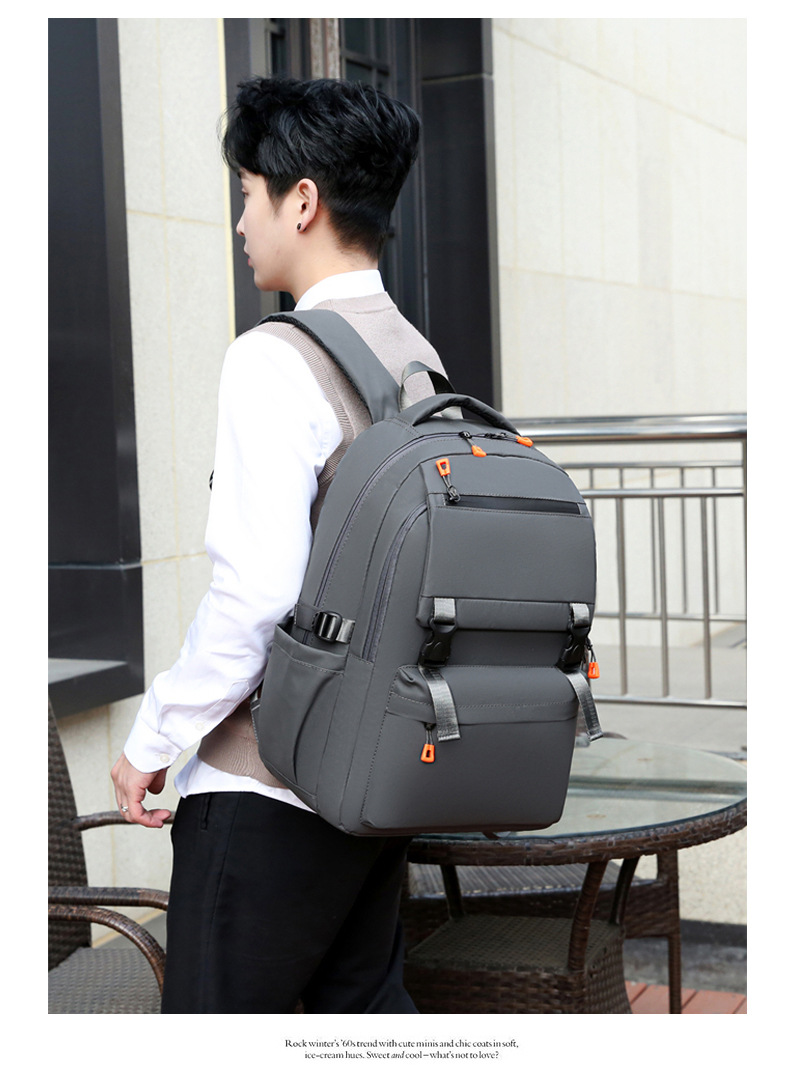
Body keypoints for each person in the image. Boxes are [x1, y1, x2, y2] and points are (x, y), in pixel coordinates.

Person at [110, 76, 447, 1014]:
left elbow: (258, 592)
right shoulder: (417, 360)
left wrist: (156, 734)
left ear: (303, 201)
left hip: (268, 783)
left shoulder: (275, 357)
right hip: (376, 778)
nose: (240, 222)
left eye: (248, 194)